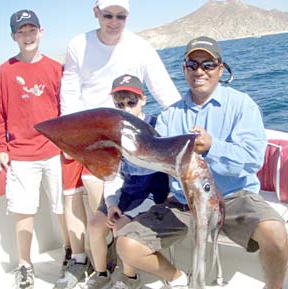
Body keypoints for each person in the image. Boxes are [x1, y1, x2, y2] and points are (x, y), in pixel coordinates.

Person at [114, 36, 288, 289]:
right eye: (192, 64)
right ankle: (178, 279)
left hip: (233, 197)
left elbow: (253, 159)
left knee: (275, 234)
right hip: (184, 201)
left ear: (220, 68)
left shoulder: (242, 105)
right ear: (184, 69)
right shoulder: (169, 115)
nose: (200, 71)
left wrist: (212, 146)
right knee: (126, 244)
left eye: (208, 64)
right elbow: (154, 163)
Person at [54, 0, 181, 288]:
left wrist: (186, 132)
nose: (113, 21)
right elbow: (70, 92)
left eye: (120, 15)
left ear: (128, 16)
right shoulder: (78, 44)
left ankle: (125, 269)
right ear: (96, 13)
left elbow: (167, 94)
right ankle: (86, 261)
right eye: (107, 14)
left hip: (130, 144)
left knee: (115, 205)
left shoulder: (141, 47)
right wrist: (71, 139)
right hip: (92, 141)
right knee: (90, 197)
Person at [0, 9, 70, 289]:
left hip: (56, 151)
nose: (27, 36)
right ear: (13, 36)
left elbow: (66, 110)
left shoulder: (54, 68)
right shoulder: (4, 71)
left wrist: (69, 144)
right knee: (24, 211)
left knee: (63, 207)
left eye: (31, 30)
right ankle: (25, 264)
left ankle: (71, 253)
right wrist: (0, 147)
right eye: (21, 32)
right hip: (21, 155)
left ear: (41, 31)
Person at [85, 74, 170, 289]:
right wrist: (112, 203)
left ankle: (130, 278)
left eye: (131, 102)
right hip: (126, 188)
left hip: (152, 190)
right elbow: (113, 174)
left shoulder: (158, 126)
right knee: (95, 226)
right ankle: (101, 272)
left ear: (143, 100)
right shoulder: (114, 133)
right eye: (120, 104)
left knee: (120, 227)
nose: (126, 108)